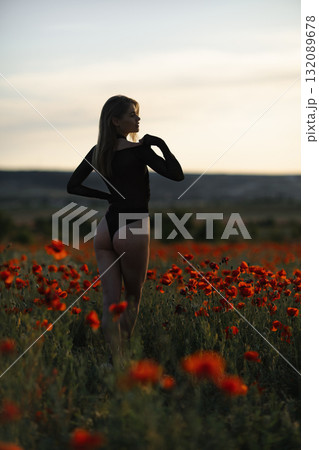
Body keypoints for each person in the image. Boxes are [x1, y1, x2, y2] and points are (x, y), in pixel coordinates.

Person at [67, 94, 184, 367]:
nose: (138, 118)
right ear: (116, 121)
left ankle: (111, 360)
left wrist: (108, 198)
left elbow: (73, 186)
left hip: (106, 229)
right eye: (132, 114)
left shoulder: (98, 151)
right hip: (133, 225)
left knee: (110, 300)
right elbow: (176, 174)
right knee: (132, 297)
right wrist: (161, 146)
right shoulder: (139, 150)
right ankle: (119, 361)